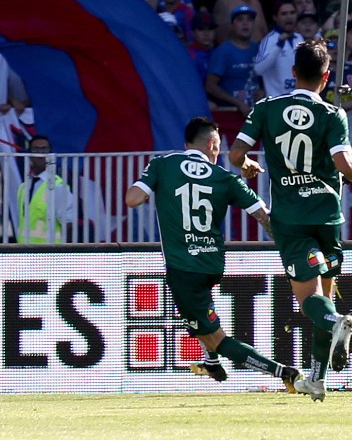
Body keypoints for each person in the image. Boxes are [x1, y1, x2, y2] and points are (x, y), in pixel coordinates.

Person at [229, 39, 352, 401]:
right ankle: (317, 378)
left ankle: (336, 324)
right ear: (325, 77)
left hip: (291, 219)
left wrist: (246, 166)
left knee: (310, 302)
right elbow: (345, 166)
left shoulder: (266, 108)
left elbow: (236, 153)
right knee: (324, 295)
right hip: (327, 216)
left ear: (292, 74)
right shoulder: (332, 115)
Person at [124, 117, 302, 390]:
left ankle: (283, 372)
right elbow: (265, 218)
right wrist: (293, 248)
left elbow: (132, 199)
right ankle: (212, 363)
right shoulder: (227, 178)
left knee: (215, 335)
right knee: (199, 320)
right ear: (212, 145)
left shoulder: (163, 164)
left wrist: (151, 192)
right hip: (211, 263)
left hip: (184, 268)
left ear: (187, 144)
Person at [15, 134, 76, 243]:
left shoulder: (57, 186)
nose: (40, 154)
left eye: (44, 149)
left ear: (51, 154)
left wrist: (65, 253)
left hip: (49, 254)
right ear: (29, 154)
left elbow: (69, 224)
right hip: (24, 253)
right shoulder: (23, 187)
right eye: (35, 149)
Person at [206, 5, 261, 116]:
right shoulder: (223, 51)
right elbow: (210, 86)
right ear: (232, 25)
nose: (245, 23)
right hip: (231, 113)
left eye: (249, 20)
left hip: (256, 113)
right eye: (240, 19)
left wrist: (261, 91)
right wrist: (238, 103)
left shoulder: (258, 48)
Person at [254, 0, 304, 97]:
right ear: (275, 18)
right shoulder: (269, 40)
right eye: (284, 14)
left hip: (297, 99)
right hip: (276, 100)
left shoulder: (299, 38)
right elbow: (258, 69)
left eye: (292, 13)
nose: (289, 17)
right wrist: (278, 46)